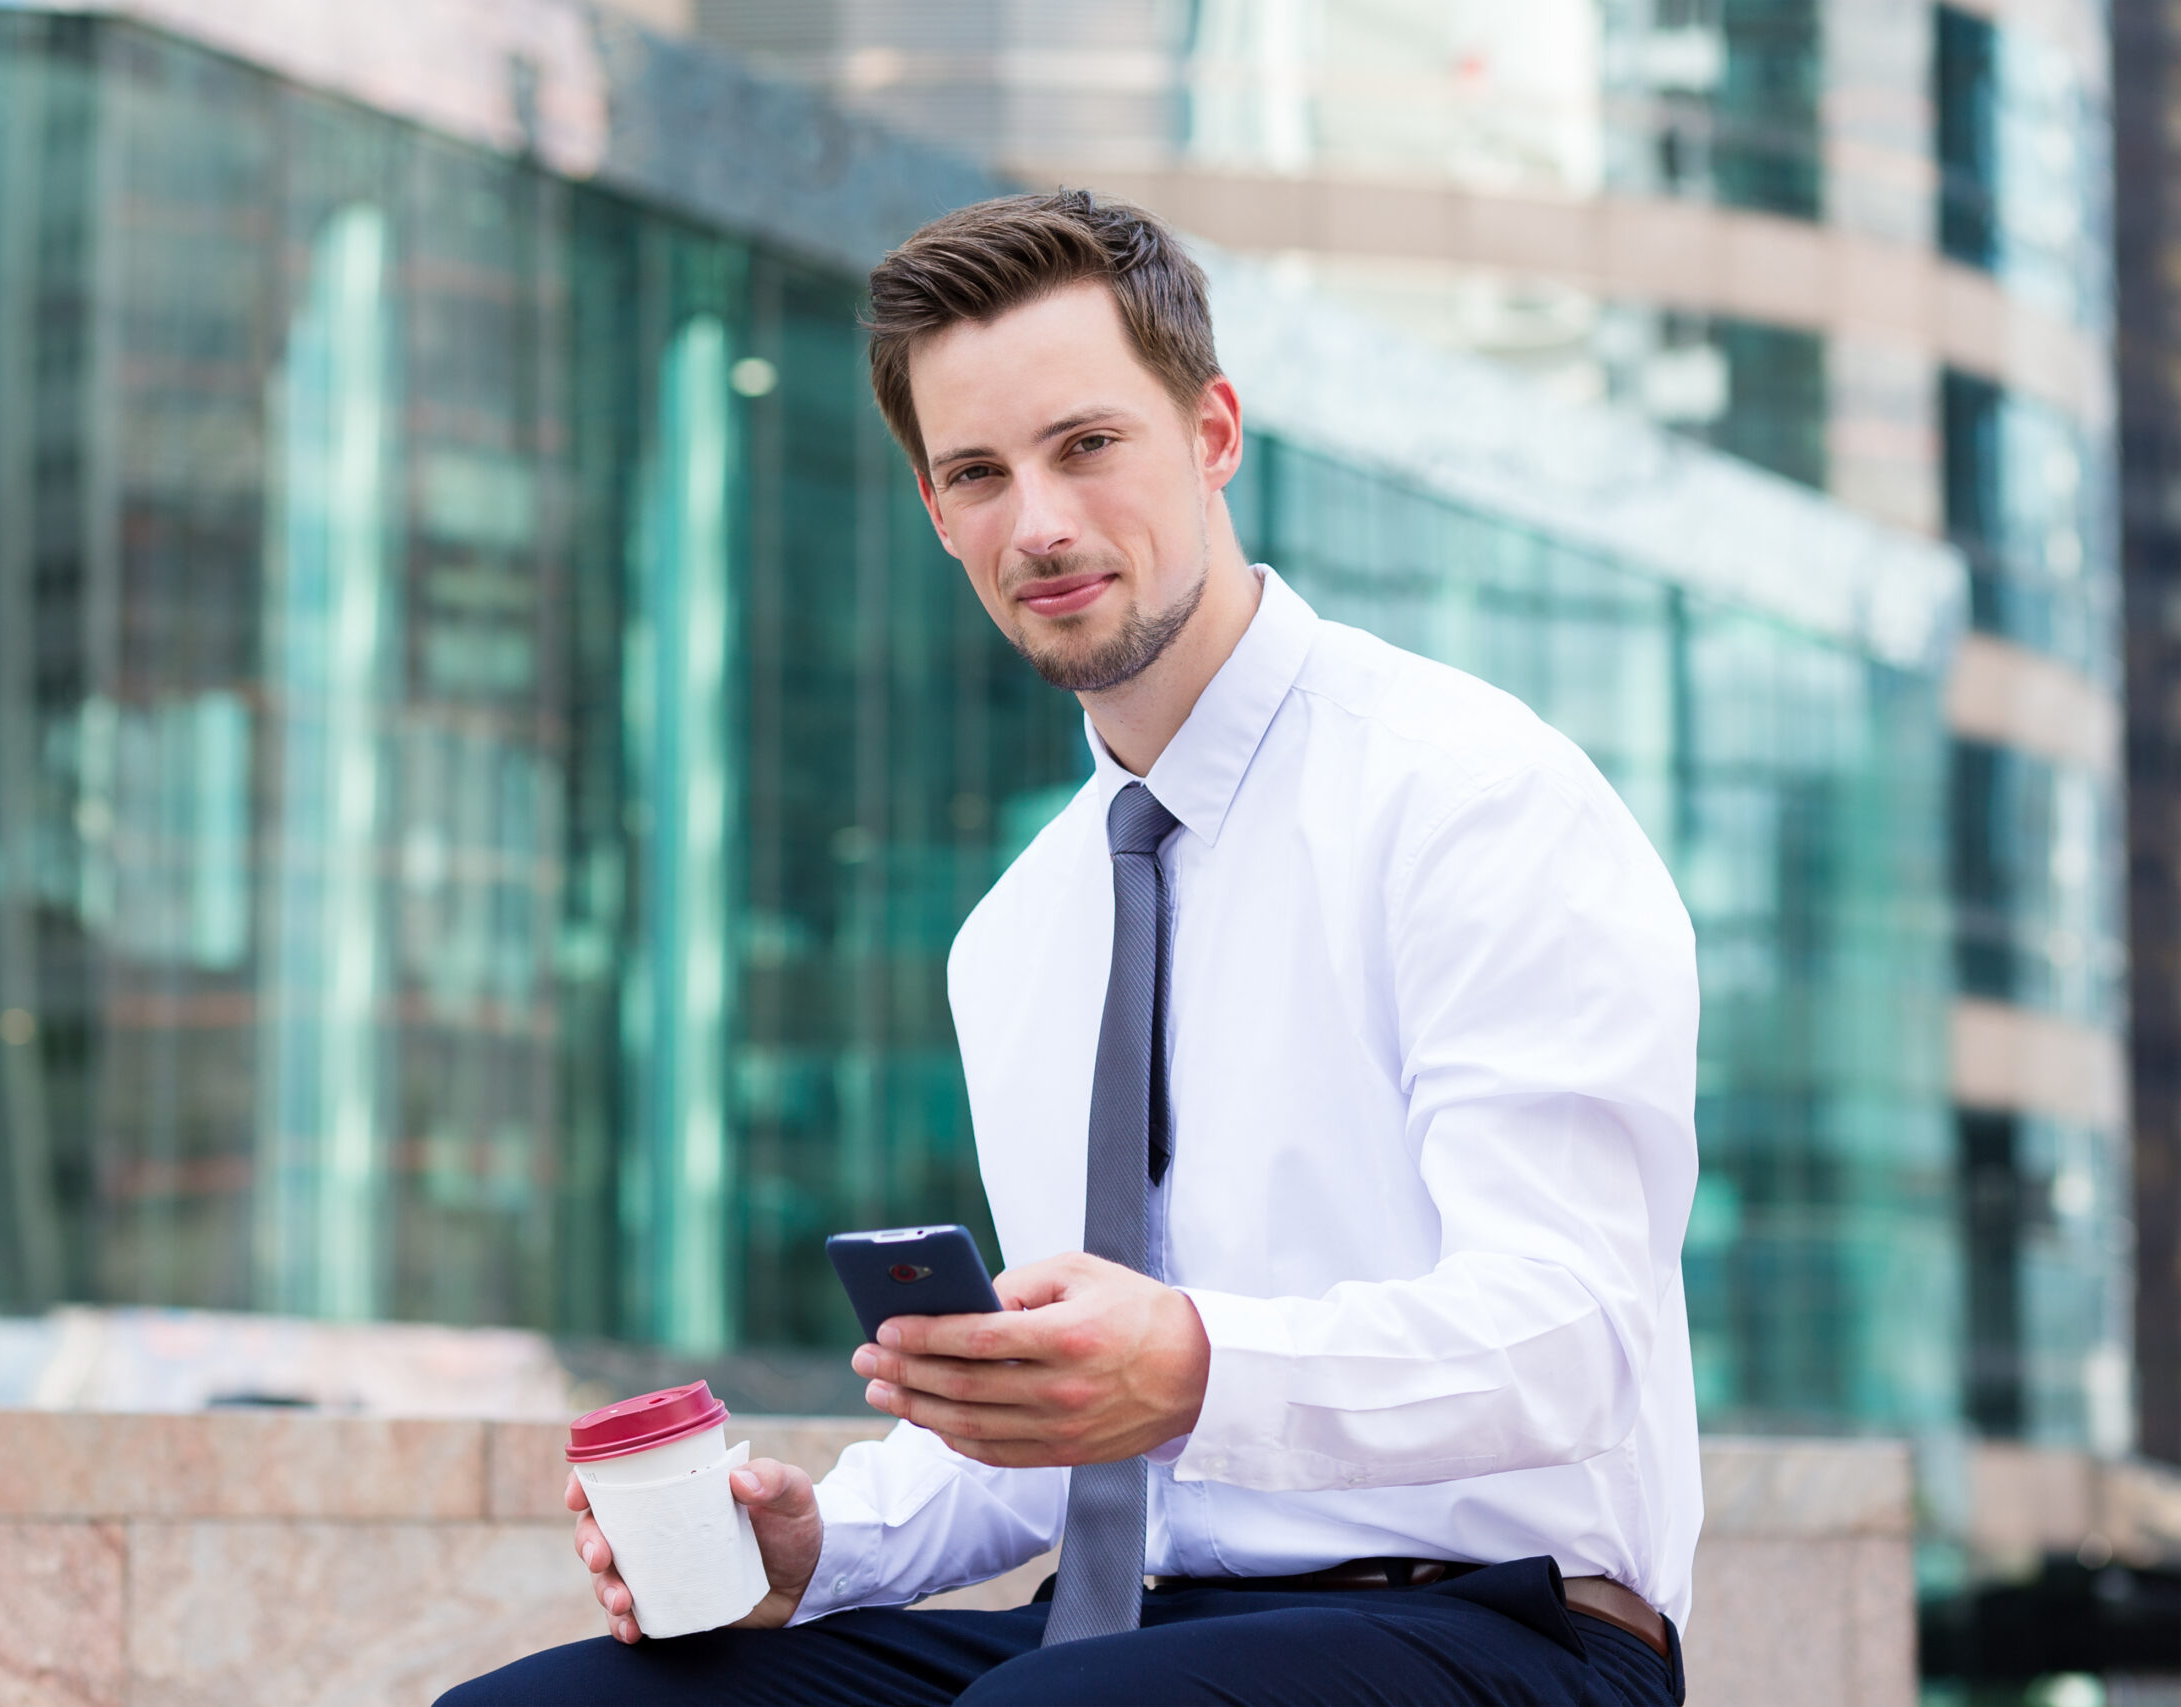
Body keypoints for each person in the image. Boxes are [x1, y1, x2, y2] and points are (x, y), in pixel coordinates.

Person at [440, 189, 1699, 1707]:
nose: (1037, 523)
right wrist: (813, 1548)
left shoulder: (1471, 797)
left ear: (1214, 433)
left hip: (1511, 1625)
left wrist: (1188, 1368)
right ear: (935, 511)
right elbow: (1065, 1443)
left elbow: (1574, 1338)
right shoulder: (1019, 933)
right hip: (1138, 1625)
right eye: (978, 472)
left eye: (1087, 445)